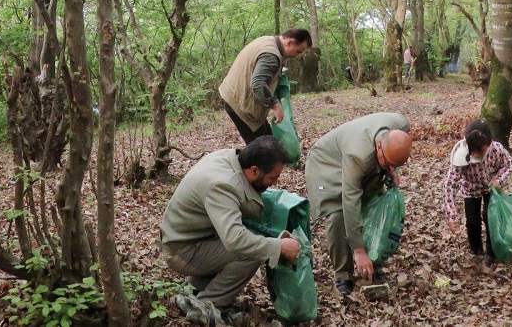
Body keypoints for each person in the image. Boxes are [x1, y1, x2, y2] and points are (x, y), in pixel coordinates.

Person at [159, 136, 301, 325]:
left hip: (194, 239)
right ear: (254, 171)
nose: (275, 183)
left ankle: (191, 291)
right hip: (181, 251)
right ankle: (208, 304)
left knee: (248, 243)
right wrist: (279, 247)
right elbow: (235, 240)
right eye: (272, 177)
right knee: (250, 252)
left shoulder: (229, 158)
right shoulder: (223, 185)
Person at [305, 112, 412, 296]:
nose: (394, 167)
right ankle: (343, 274)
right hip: (326, 164)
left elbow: (393, 157)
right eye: (389, 163)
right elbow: (350, 201)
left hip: (363, 159)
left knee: (373, 203)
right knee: (337, 215)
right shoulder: (359, 156)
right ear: (379, 147)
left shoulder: (401, 126)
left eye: (398, 164)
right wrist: (358, 250)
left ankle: (372, 262)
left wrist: (390, 169)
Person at [219, 28, 312, 144]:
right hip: (239, 104)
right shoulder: (271, 55)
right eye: (298, 51)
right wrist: (275, 105)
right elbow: (258, 84)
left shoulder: (268, 41)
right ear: (289, 42)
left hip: (235, 95)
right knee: (263, 149)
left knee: (269, 141)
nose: (298, 56)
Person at [442, 119, 512, 267]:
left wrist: (499, 180)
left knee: (490, 217)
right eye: (475, 151)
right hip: (470, 189)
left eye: (482, 150)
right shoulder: (461, 156)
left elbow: (508, 164)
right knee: (472, 221)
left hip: (491, 187)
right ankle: (476, 249)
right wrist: (451, 214)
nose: (478, 155)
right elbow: (450, 185)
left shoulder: (496, 150)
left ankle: (492, 252)